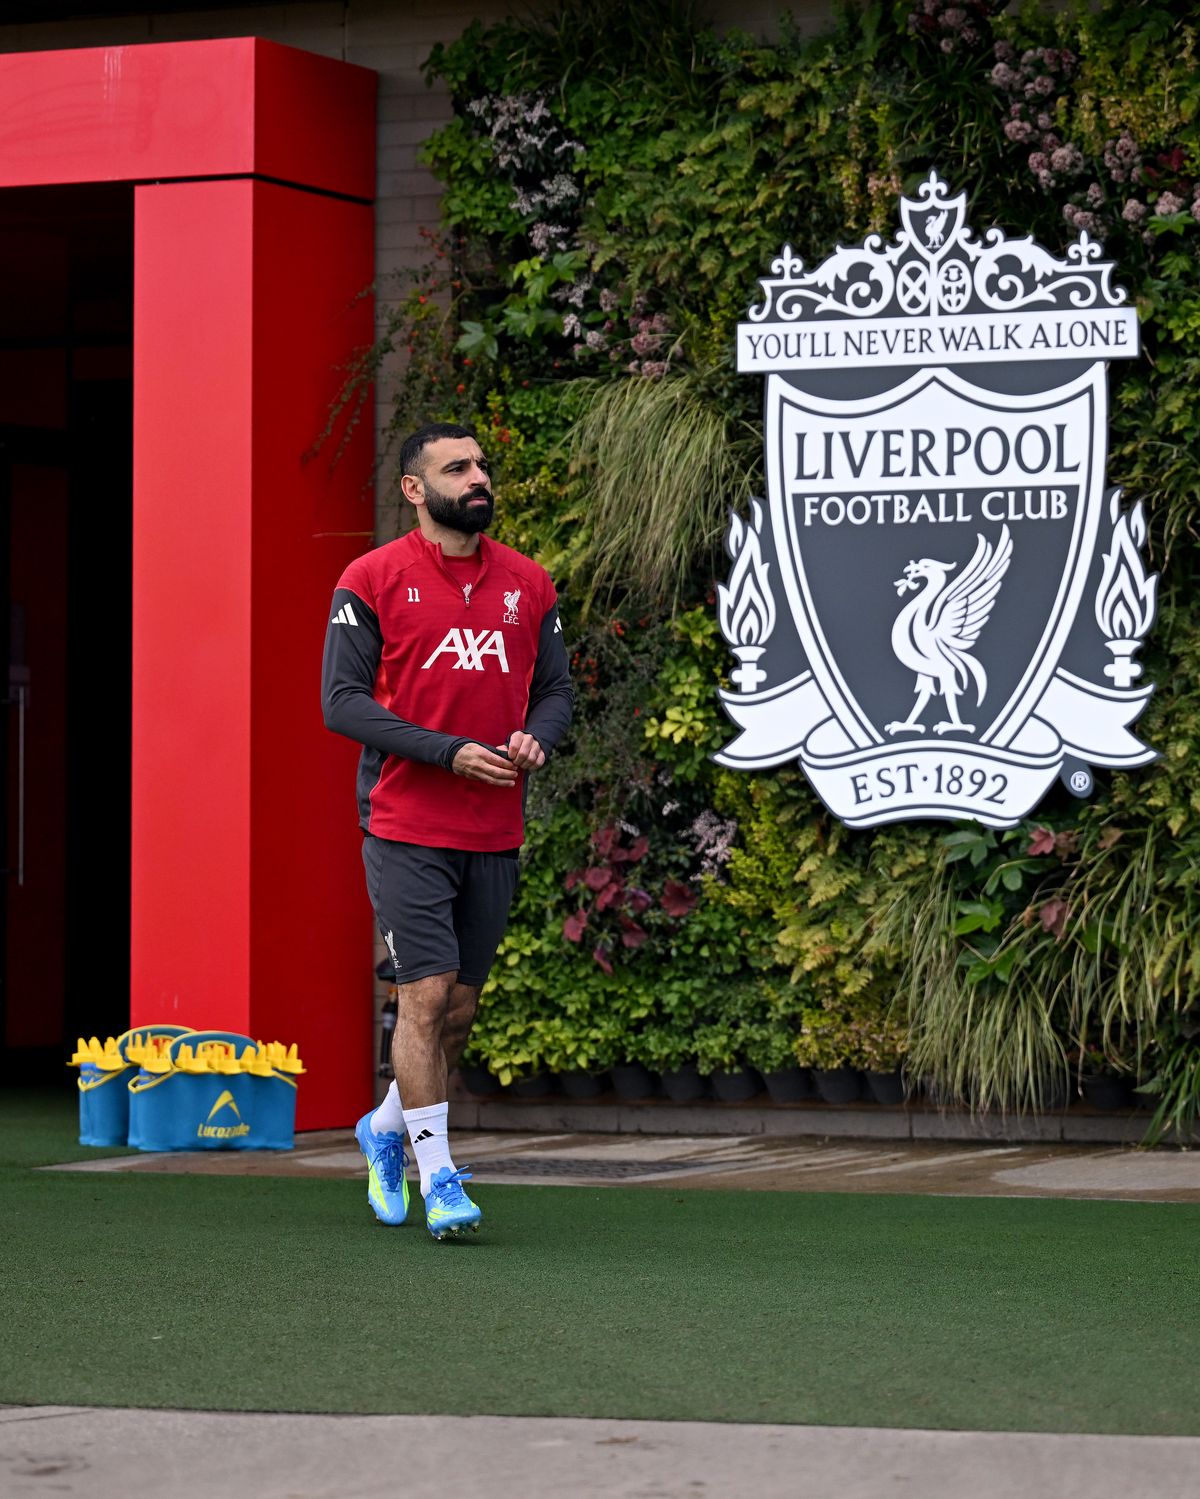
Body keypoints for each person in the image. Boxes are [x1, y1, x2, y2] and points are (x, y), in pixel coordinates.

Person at [321, 422, 573, 1240]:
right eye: (457, 468)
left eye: (481, 465)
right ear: (413, 489)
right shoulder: (370, 578)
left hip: (494, 826)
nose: (477, 478)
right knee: (423, 995)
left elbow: (556, 691)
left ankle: (384, 1128)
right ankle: (441, 1178)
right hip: (404, 821)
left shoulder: (530, 583)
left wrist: (539, 734)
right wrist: (450, 752)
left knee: (459, 1010)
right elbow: (343, 703)